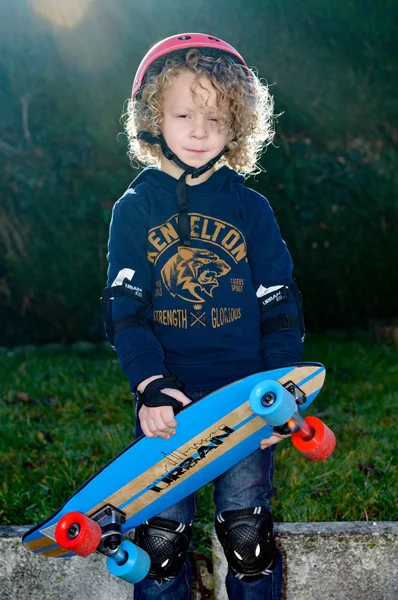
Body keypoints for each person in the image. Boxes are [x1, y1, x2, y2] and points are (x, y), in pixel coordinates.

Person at [101, 33, 305, 600]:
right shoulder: (134, 209)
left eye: (215, 118)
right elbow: (125, 312)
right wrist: (150, 387)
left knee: (247, 535)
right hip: (169, 402)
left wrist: (281, 387)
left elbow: (279, 305)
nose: (198, 131)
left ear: (237, 124)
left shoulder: (251, 208)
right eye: (183, 114)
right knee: (161, 544)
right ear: (152, 117)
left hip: (245, 397)